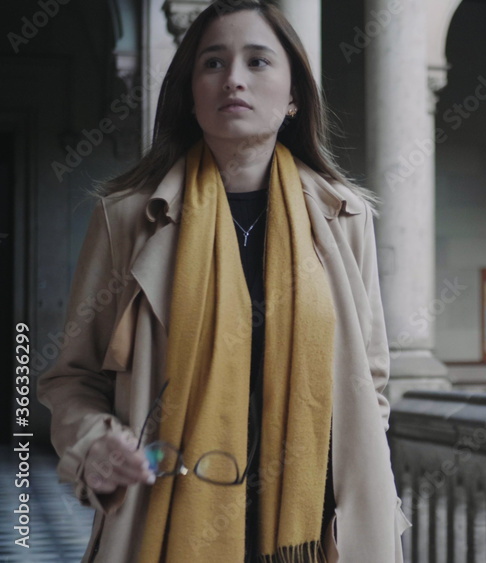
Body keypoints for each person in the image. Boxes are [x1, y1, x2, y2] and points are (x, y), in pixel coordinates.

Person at [37, 1, 410, 561]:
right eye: (213, 63)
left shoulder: (345, 217)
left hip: (314, 531)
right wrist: (94, 444)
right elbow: (70, 380)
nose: (233, 78)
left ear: (292, 98)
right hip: (165, 524)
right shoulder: (127, 220)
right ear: (191, 93)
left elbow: (371, 378)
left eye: (258, 61)